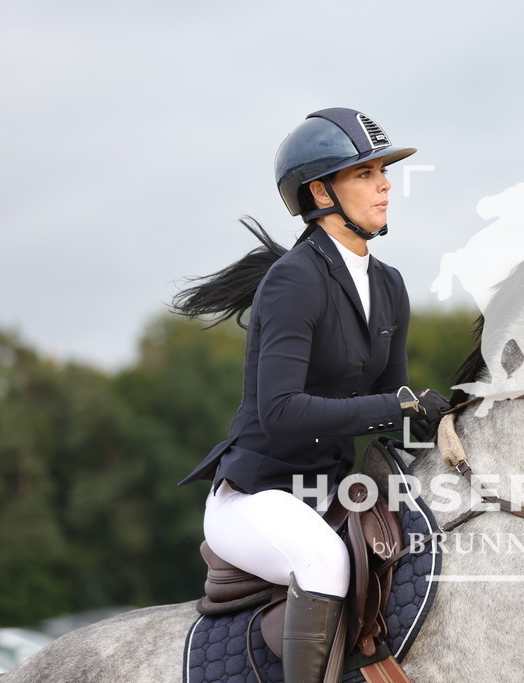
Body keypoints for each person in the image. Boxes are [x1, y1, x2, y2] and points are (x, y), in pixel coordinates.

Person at [174, 107, 450, 683]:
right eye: (366, 174)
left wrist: (445, 414)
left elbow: (390, 403)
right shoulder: (295, 279)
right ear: (320, 191)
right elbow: (280, 413)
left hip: (326, 495)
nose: (385, 184)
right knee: (323, 563)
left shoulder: (388, 284)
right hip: (256, 497)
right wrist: (399, 405)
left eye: (382, 171)